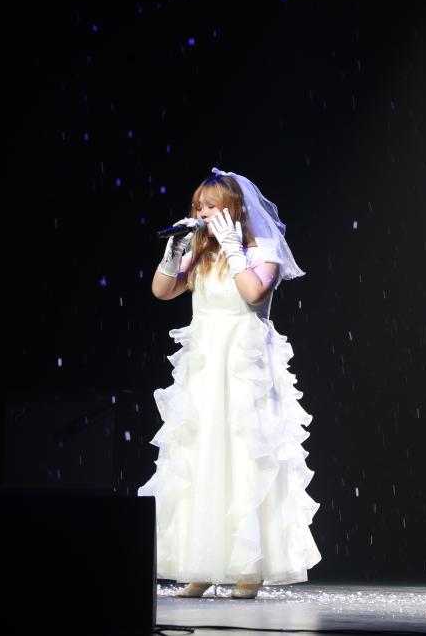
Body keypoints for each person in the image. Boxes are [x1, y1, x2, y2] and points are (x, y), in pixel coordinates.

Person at [138, 168, 321, 599]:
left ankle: (247, 569)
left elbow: (254, 293)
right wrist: (175, 250)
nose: (201, 213)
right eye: (197, 206)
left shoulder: (262, 250)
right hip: (206, 363)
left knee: (243, 458)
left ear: (233, 209)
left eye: (210, 206)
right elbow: (162, 291)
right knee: (202, 456)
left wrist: (235, 249)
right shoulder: (201, 252)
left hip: (244, 364)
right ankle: (201, 564)